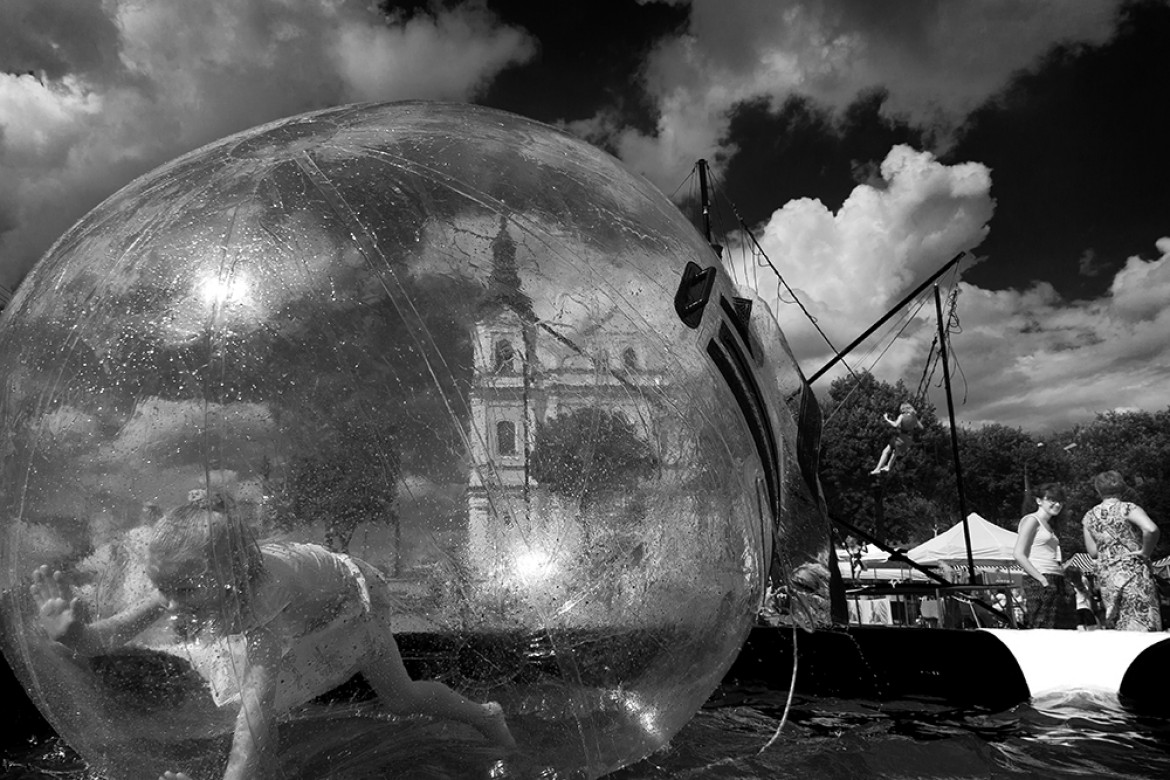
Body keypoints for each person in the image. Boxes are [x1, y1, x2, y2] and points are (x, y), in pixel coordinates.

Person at [31, 495, 515, 780]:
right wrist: (76, 635)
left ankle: (484, 716)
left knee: (401, 696)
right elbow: (107, 636)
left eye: (182, 593)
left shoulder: (257, 605)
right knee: (241, 680)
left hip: (349, 603)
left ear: (231, 578)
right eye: (164, 589)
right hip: (299, 604)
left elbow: (255, 720)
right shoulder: (191, 578)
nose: (170, 605)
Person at [1081, 470, 1162, 631]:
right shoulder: (1128, 508)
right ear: (1122, 487)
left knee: (1118, 625)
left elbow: (1093, 552)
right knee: (1143, 622)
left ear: (1098, 490)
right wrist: (1145, 551)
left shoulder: (1089, 517)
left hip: (1108, 577)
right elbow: (1151, 529)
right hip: (1134, 573)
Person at [1013, 483, 1076, 629]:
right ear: (1039, 501)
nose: (1057, 504)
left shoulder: (1049, 525)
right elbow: (1018, 553)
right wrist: (1041, 579)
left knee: (1063, 628)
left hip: (1056, 578)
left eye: (1060, 500)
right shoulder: (1031, 520)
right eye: (1052, 499)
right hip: (1041, 578)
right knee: (1043, 626)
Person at [869, 402, 923, 475]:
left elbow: (895, 425)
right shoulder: (914, 418)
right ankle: (888, 466)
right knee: (895, 453)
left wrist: (887, 419)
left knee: (886, 451)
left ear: (903, 409)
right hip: (907, 440)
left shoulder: (902, 416)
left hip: (900, 437)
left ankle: (877, 469)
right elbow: (921, 427)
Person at [1064, 565, 1098, 630]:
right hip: (1086, 608)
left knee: (1080, 630)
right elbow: (1090, 592)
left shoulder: (1068, 584)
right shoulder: (1083, 579)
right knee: (1092, 630)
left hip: (1075, 610)